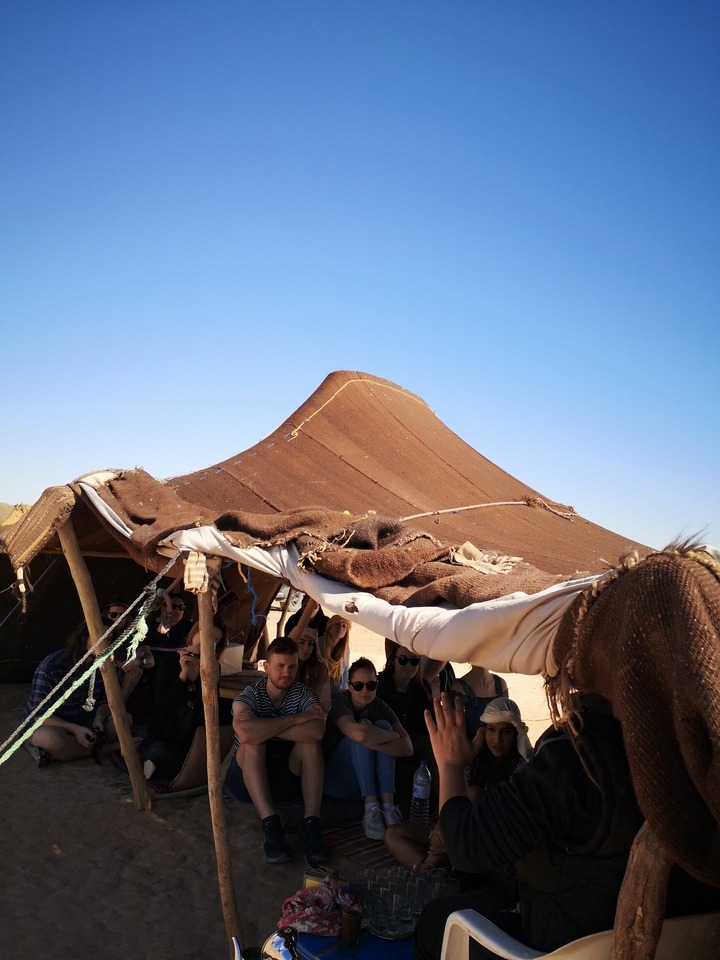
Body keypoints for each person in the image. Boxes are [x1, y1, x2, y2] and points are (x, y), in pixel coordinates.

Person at [415, 692, 694, 960]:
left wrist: (450, 764)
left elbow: (465, 846)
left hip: (557, 942)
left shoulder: (581, 755)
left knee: (431, 923)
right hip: (683, 941)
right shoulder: (690, 749)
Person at [385, 697, 530, 869]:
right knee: (394, 835)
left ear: (516, 734)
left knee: (473, 794)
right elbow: (453, 802)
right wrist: (441, 829)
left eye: (505, 732)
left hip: (491, 842)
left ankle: (426, 870)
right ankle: (434, 872)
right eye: (491, 730)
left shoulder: (523, 769)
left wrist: (446, 830)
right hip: (456, 833)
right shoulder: (473, 757)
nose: (497, 740)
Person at [224, 637, 328, 867]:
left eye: (292, 666)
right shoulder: (249, 696)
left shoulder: (304, 694)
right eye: (280, 666)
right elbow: (246, 734)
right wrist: (297, 719)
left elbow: (317, 730)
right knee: (253, 744)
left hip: (286, 774)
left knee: (310, 744)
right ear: (266, 667)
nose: (286, 673)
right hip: (246, 780)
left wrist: (263, 726)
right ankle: (271, 825)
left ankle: (311, 823)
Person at [323, 657, 413, 840]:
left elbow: (408, 747)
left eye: (371, 685)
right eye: (358, 685)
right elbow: (360, 735)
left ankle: (387, 806)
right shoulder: (342, 704)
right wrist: (391, 737)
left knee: (382, 726)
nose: (365, 690)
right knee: (364, 726)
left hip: (364, 783)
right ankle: (371, 807)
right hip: (336, 782)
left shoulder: (379, 706)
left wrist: (377, 740)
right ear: (349, 686)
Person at [138, 617, 228, 780]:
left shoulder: (213, 668)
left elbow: (211, 712)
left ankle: (185, 765)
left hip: (194, 741)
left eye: (214, 640)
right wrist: (183, 675)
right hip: (165, 737)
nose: (208, 641)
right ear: (195, 633)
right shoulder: (169, 662)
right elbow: (162, 707)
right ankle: (185, 766)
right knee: (158, 751)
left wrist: (210, 683)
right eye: (205, 634)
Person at [22, 622, 119, 765]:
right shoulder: (53, 666)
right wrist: (74, 729)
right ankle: (106, 749)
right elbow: (39, 715)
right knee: (52, 739)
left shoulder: (103, 666)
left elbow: (104, 701)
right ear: (84, 637)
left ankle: (54, 753)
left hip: (83, 720)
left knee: (122, 722)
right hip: (50, 725)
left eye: (109, 639)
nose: (105, 643)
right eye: (100, 636)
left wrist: (99, 718)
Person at [377, 643, 432, 737]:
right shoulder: (378, 686)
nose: (409, 665)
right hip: (388, 741)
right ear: (393, 661)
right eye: (403, 660)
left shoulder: (423, 688)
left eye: (414, 661)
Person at [450, 665, 508, 740]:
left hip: (498, 743)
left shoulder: (501, 684)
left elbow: (506, 722)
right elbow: (455, 732)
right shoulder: (459, 688)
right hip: (471, 744)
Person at [293, 627, 331, 713]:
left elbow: (325, 704)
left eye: (310, 644)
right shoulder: (285, 666)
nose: (306, 648)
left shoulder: (319, 667)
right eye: (301, 642)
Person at [319, 615, 352, 696]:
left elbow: (346, 671)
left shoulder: (346, 649)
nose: (340, 628)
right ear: (329, 626)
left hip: (337, 692)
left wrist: (345, 693)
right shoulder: (318, 644)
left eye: (344, 626)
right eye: (337, 624)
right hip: (318, 691)